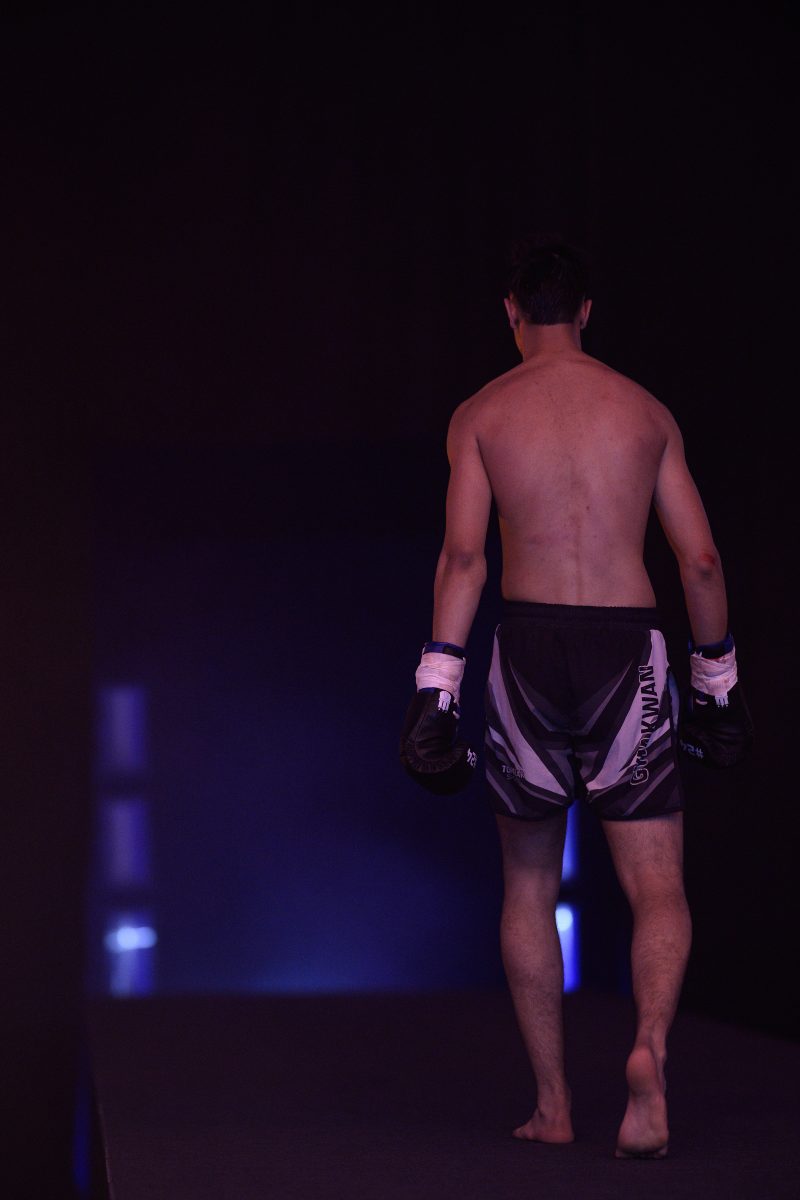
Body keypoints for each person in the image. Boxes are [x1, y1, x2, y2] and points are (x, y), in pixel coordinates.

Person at [400, 234, 752, 1158]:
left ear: (511, 314)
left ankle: (554, 1106)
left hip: (526, 647)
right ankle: (648, 1054)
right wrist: (715, 676)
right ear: (587, 314)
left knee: (527, 882)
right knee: (657, 887)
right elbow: (701, 560)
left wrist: (437, 683)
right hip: (627, 651)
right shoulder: (643, 412)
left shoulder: (481, 413)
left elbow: (465, 559)